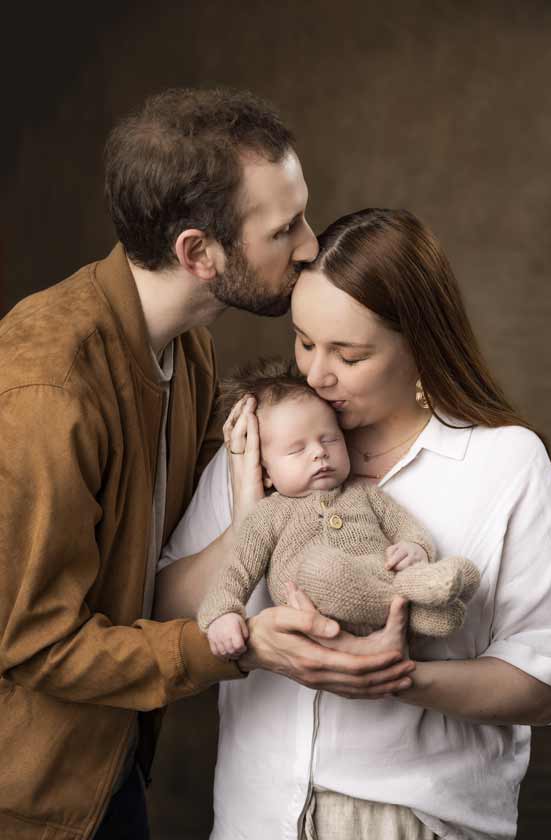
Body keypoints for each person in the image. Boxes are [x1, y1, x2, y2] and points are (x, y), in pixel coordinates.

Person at [0, 90, 415, 840]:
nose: (310, 246)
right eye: (283, 227)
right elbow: (35, 644)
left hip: (114, 762)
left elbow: (187, 550)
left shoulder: (188, 343)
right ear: (199, 253)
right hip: (36, 798)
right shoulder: (46, 388)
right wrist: (241, 641)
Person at [157, 208, 551, 840]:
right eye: (304, 341)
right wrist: (249, 518)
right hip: (256, 816)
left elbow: (547, 685)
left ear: (420, 347)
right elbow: (165, 604)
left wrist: (396, 679)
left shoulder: (505, 462)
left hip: (410, 822)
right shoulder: (265, 444)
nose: (315, 374)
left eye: (349, 354)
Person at [198, 359, 481, 657]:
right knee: (321, 568)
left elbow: (403, 525)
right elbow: (235, 571)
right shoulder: (268, 516)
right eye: (297, 449)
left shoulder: (364, 493)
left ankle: (427, 592)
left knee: (448, 576)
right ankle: (415, 599)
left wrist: (416, 547)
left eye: (329, 439)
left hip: (375, 573)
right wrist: (221, 615)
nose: (319, 453)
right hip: (317, 588)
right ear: (266, 472)